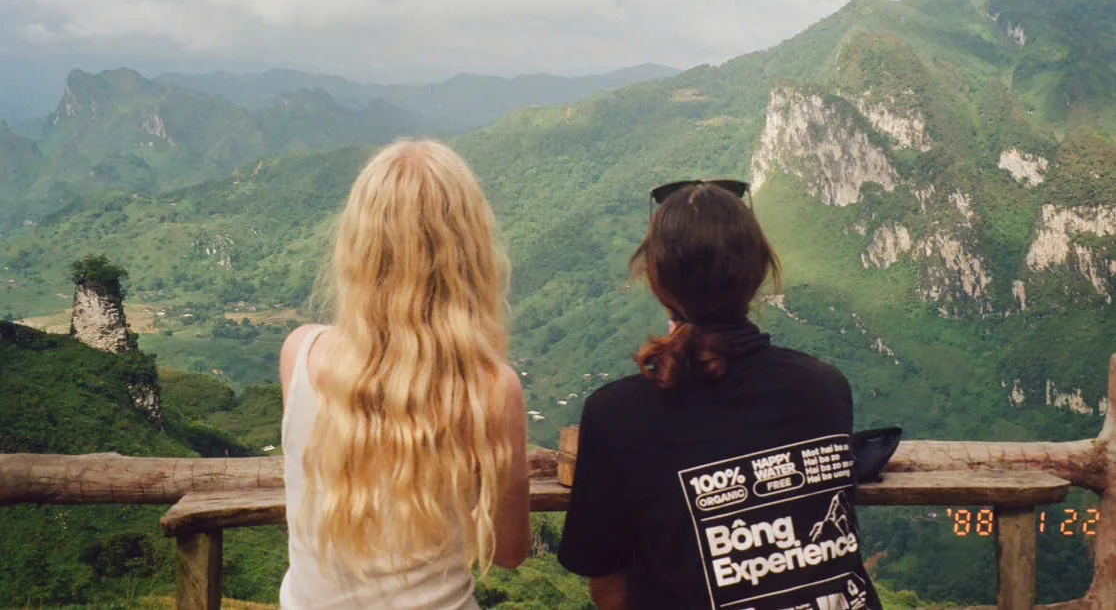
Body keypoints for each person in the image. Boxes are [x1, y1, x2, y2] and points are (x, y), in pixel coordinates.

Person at [558, 180, 881, 610]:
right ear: (758, 272)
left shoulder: (618, 415)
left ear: (658, 283)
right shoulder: (824, 388)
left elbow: (607, 584)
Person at [279, 140, 531, 609]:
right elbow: (512, 552)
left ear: (359, 245)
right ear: (468, 251)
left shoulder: (300, 353)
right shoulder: (492, 389)